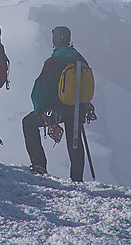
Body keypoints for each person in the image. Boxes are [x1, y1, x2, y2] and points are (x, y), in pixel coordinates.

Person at [22, 25, 89, 181]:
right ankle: (77, 178)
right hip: (77, 109)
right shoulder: (79, 58)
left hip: (57, 110)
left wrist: (40, 109)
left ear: (54, 41)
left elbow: (41, 88)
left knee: (28, 123)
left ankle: (39, 167)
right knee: (75, 140)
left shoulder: (53, 61)